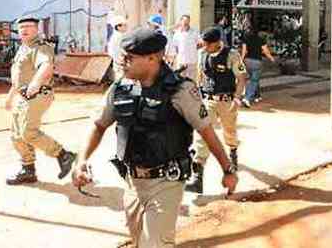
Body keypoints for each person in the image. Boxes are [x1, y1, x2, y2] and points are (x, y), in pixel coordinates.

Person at [71, 28, 237, 248]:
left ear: (152, 58)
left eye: (129, 57)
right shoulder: (120, 88)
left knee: (155, 244)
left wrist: (227, 169)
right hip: (132, 183)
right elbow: (99, 125)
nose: (122, 61)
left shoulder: (180, 90)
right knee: (139, 241)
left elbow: (207, 132)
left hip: (166, 182)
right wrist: (81, 160)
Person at [5, 15, 77, 185]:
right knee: (16, 135)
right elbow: (19, 78)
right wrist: (10, 97)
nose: (24, 30)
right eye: (21, 27)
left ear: (37, 29)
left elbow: (46, 66)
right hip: (23, 96)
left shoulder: (40, 47)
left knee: (28, 132)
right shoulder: (23, 48)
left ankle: (63, 155)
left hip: (38, 94)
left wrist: (36, 83)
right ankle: (28, 170)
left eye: (29, 26)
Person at [186, 27, 247, 194]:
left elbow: (242, 78)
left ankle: (232, 154)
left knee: (230, 132)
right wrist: (196, 96)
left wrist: (237, 98)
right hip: (208, 100)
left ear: (217, 43)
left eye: (207, 44)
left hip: (227, 101)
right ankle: (197, 178)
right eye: (203, 44)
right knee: (202, 135)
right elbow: (199, 76)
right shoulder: (202, 54)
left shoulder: (232, 55)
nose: (204, 47)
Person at [240, 27, 276, 107]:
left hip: (247, 61)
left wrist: (241, 61)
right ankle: (247, 98)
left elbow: (244, 51)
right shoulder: (261, 40)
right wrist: (271, 58)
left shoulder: (246, 39)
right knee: (254, 80)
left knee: (251, 79)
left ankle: (257, 95)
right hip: (257, 62)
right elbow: (266, 51)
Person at [167, 14, 201, 81]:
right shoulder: (177, 34)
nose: (186, 23)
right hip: (181, 62)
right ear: (181, 21)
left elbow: (200, 43)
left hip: (192, 61)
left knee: (192, 81)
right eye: (184, 21)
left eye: (187, 21)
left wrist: (193, 49)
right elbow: (175, 47)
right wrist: (172, 60)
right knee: (181, 81)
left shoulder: (195, 32)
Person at [107, 14, 128, 80]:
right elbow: (121, 50)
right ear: (118, 27)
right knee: (120, 78)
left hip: (118, 61)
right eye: (124, 25)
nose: (126, 27)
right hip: (118, 61)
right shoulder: (118, 37)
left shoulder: (118, 35)